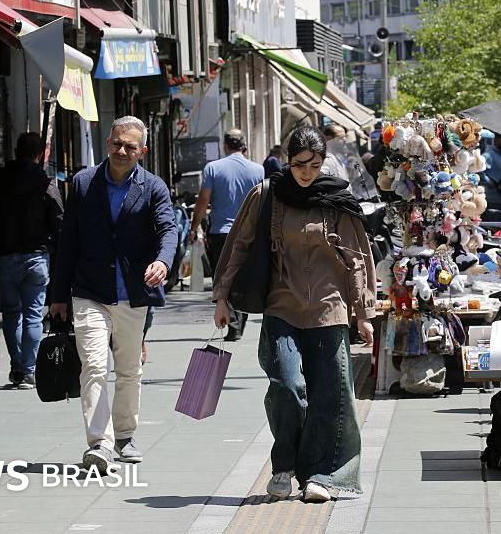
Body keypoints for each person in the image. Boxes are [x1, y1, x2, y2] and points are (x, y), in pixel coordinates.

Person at [211, 125, 376, 503]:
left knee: (330, 395)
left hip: (329, 309)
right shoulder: (267, 195)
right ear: (288, 161)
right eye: (300, 164)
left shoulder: (336, 199)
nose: (307, 172)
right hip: (281, 306)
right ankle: (284, 464)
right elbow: (239, 246)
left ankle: (321, 475)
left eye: (315, 165)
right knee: (286, 386)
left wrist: (363, 312)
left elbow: (356, 258)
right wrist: (222, 297)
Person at [49, 116, 176, 471]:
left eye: (130, 147)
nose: (121, 151)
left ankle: (124, 435)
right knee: (93, 364)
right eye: (116, 143)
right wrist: (58, 295)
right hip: (89, 290)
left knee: (129, 369)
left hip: (133, 293)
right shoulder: (83, 183)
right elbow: (68, 241)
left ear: (142, 151)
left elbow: (168, 229)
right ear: (107, 142)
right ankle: (99, 444)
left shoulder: (153, 187)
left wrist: (163, 261)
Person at [0, 132, 64, 389]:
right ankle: (28, 369)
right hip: (37, 257)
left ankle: (16, 367)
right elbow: (59, 222)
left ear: (16, 151)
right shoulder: (45, 183)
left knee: (11, 313)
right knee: (33, 314)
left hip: (4, 257)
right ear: (40, 154)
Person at [189, 129, 264, 341]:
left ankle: (232, 321)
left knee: (222, 276)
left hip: (221, 232)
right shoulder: (258, 169)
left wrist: (194, 227)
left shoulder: (213, 168)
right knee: (243, 275)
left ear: (225, 145)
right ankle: (239, 320)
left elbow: (203, 200)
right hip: (249, 233)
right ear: (244, 146)